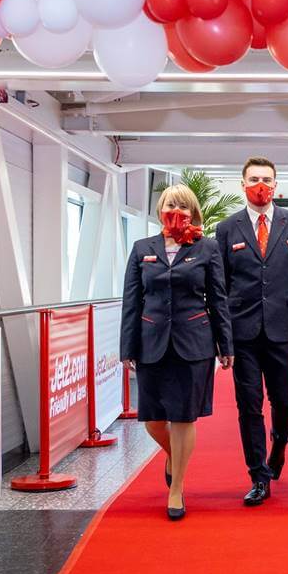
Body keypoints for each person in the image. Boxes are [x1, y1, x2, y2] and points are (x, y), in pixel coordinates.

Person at [121, 184, 234, 521]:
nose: (176, 210)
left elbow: (218, 300)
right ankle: (175, 455)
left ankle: (177, 488)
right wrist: (127, 347)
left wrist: (225, 345)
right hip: (151, 341)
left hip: (193, 342)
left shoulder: (207, 248)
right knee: (154, 420)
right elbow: (132, 300)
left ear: (193, 212)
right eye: (171, 204)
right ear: (160, 210)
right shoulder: (143, 248)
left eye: (183, 206)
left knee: (184, 416)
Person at [215, 157, 288, 506]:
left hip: (283, 328)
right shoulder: (228, 228)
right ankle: (259, 475)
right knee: (249, 405)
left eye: (267, 179)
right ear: (242, 184)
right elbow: (221, 284)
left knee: (285, 400)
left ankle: (281, 442)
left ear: (277, 185)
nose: (261, 184)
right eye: (254, 178)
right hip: (242, 330)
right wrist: (222, 334)